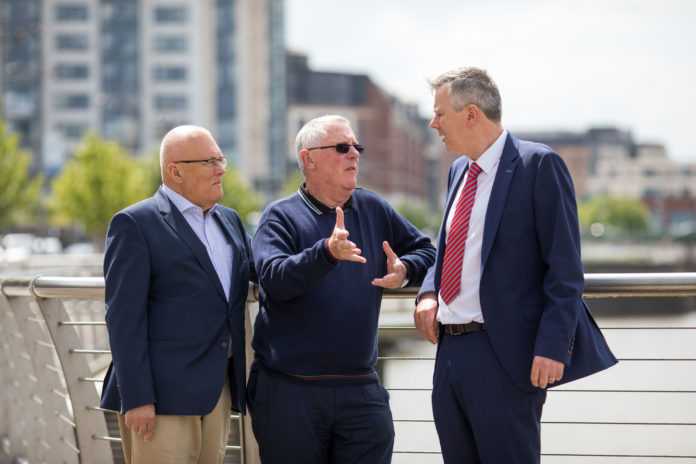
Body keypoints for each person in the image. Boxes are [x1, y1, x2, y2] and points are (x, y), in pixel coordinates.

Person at [413, 67, 618, 463]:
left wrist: (553, 347)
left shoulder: (539, 165)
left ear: (471, 114)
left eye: (440, 114)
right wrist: (427, 290)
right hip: (449, 355)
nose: (432, 123)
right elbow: (449, 247)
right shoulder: (458, 171)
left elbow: (564, 270)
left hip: (506, 356)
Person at [248, 115, 436, 463]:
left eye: (356, 146)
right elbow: (273, 278)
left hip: (361, 389)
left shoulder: (373, 207)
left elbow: (429, 250)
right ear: (308, 159)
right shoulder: (279, 217)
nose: (354, 154)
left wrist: (405, 270)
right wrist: (326, 253)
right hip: (291, 390)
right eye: (341, 147)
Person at [101, 125, 254, 464]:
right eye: (210, 161)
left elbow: (263, 276)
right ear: (176, 170)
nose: (221, 169)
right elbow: (124, 318)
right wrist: (137, 398)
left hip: (217, 392)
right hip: (160, 399)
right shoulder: (135, 223)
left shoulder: (230, 220)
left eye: (221, 159)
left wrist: (326, 255)